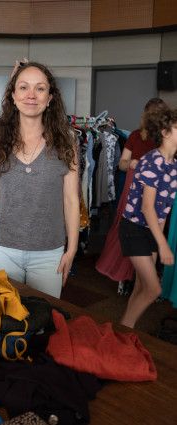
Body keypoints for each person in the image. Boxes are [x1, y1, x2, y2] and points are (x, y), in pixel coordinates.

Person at [0, 61, 80, 298]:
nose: (31, 95)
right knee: (6, 320)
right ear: (13, 95)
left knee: (42, 320)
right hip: (4, 250)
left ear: (50, 97)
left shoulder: (67, 141)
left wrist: (71, 249)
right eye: (23, 87)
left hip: (49, 252)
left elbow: (72, 200)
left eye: (40, 88)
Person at [96, 98, 168, 283]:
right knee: (128, 229)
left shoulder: (168, 138)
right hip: (133, 190)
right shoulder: (136, 136)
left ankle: (146, 278)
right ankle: (128, 275)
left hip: (158, 192)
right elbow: (121, 164)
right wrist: (131, 163)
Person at [118, 106, 177, 328]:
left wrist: (157, 238)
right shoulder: (152, 161)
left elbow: (164, 209)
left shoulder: (174, 167)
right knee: (154, 289)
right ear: (165, 132)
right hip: (133, 228)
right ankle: (123, 331)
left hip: (150, 231)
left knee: (142, 287)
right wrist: (162, 245)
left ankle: (125, 330)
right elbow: (147, 207)